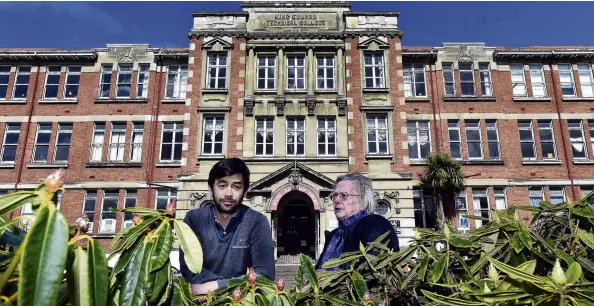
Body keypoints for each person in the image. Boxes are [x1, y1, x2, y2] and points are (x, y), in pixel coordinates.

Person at [180, 158, 275, 295]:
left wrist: (215, 286)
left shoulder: (257, 222)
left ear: (245, 191)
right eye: (222, 185)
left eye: (236, 186)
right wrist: (235, 286)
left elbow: (265, 275)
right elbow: (190, 269)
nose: (229, 194)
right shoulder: (194, 219)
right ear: (211, 189)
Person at [315, 172, 399, 271]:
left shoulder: (375, 224)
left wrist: (329, 280)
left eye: (343, 195)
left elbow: (374, 273)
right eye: (334, 196)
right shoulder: (334, 235)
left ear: (363, 200)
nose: (336, 200)